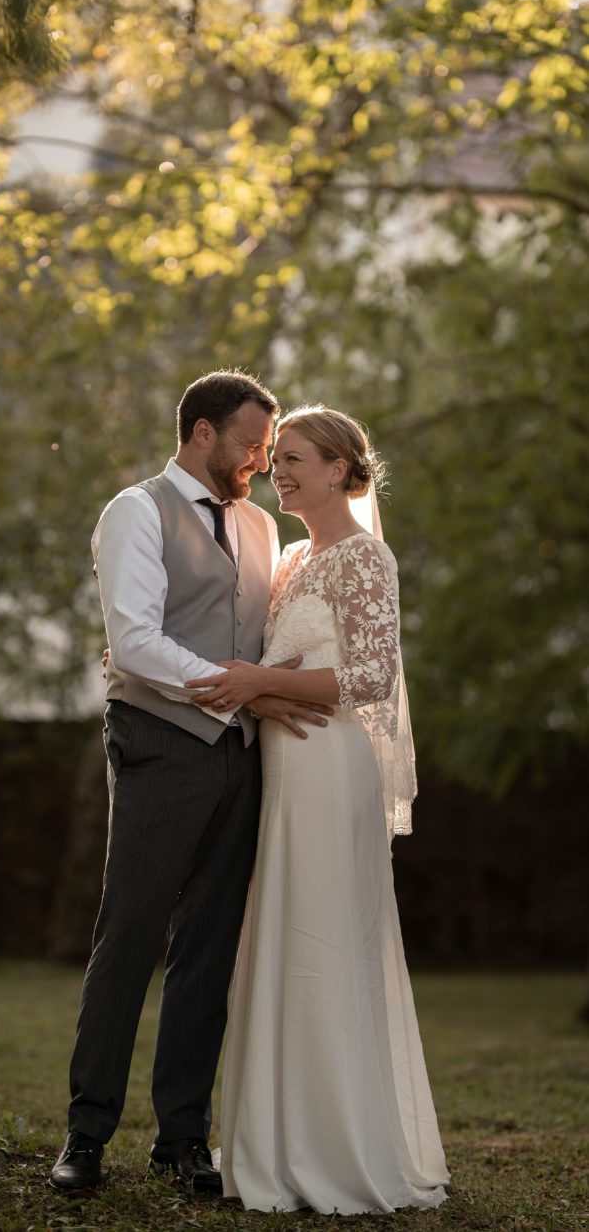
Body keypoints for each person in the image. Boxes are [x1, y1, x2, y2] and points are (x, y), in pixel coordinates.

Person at [49, 372, 334, 1197]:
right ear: (201, 433)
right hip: (159, 745)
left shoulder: (254, 525)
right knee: (129, 937)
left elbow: (265, 644)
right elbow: (134, 642)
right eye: (249, 444)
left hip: (244, 756)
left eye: (266, 447)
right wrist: (233, 685)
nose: (259, 460)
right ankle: (86, 1132)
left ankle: (182, 1138)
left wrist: (264, 695)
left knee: (209, 951)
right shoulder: (135, 510)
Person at [187, 405, 450, 1215]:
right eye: (276, 461)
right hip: (285, 773)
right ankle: (278, 1142)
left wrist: (256, 681)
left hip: (334, 776)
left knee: (326, 938)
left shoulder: (366, 559)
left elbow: (369, 679)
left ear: (340, 469)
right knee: (282, 937)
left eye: (295, 458)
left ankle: (338, 1150)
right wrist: (256, 689)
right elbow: (273, 671)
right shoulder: (294, 556)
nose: (279, 472)